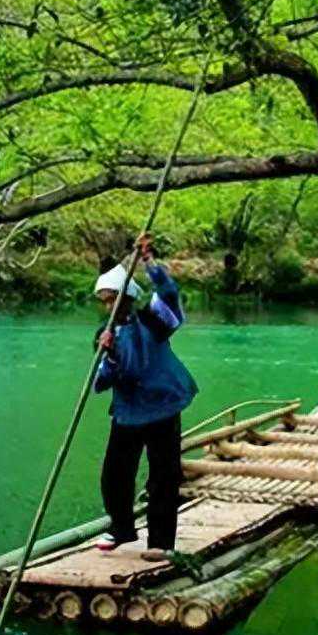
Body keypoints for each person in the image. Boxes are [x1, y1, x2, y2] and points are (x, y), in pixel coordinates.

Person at [92, 234, 197, 562]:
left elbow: (169, 294)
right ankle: (122, 527)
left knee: (164, 476)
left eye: (113, 300)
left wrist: (149, 262)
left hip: (163, 406)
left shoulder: (153, 320)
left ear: (127, 299)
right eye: (104, 301)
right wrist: (109, 355)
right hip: (128, 412)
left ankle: (160, 542)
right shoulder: (105, 335)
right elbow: (101, 381)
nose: (109, 307)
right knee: (114, 476)